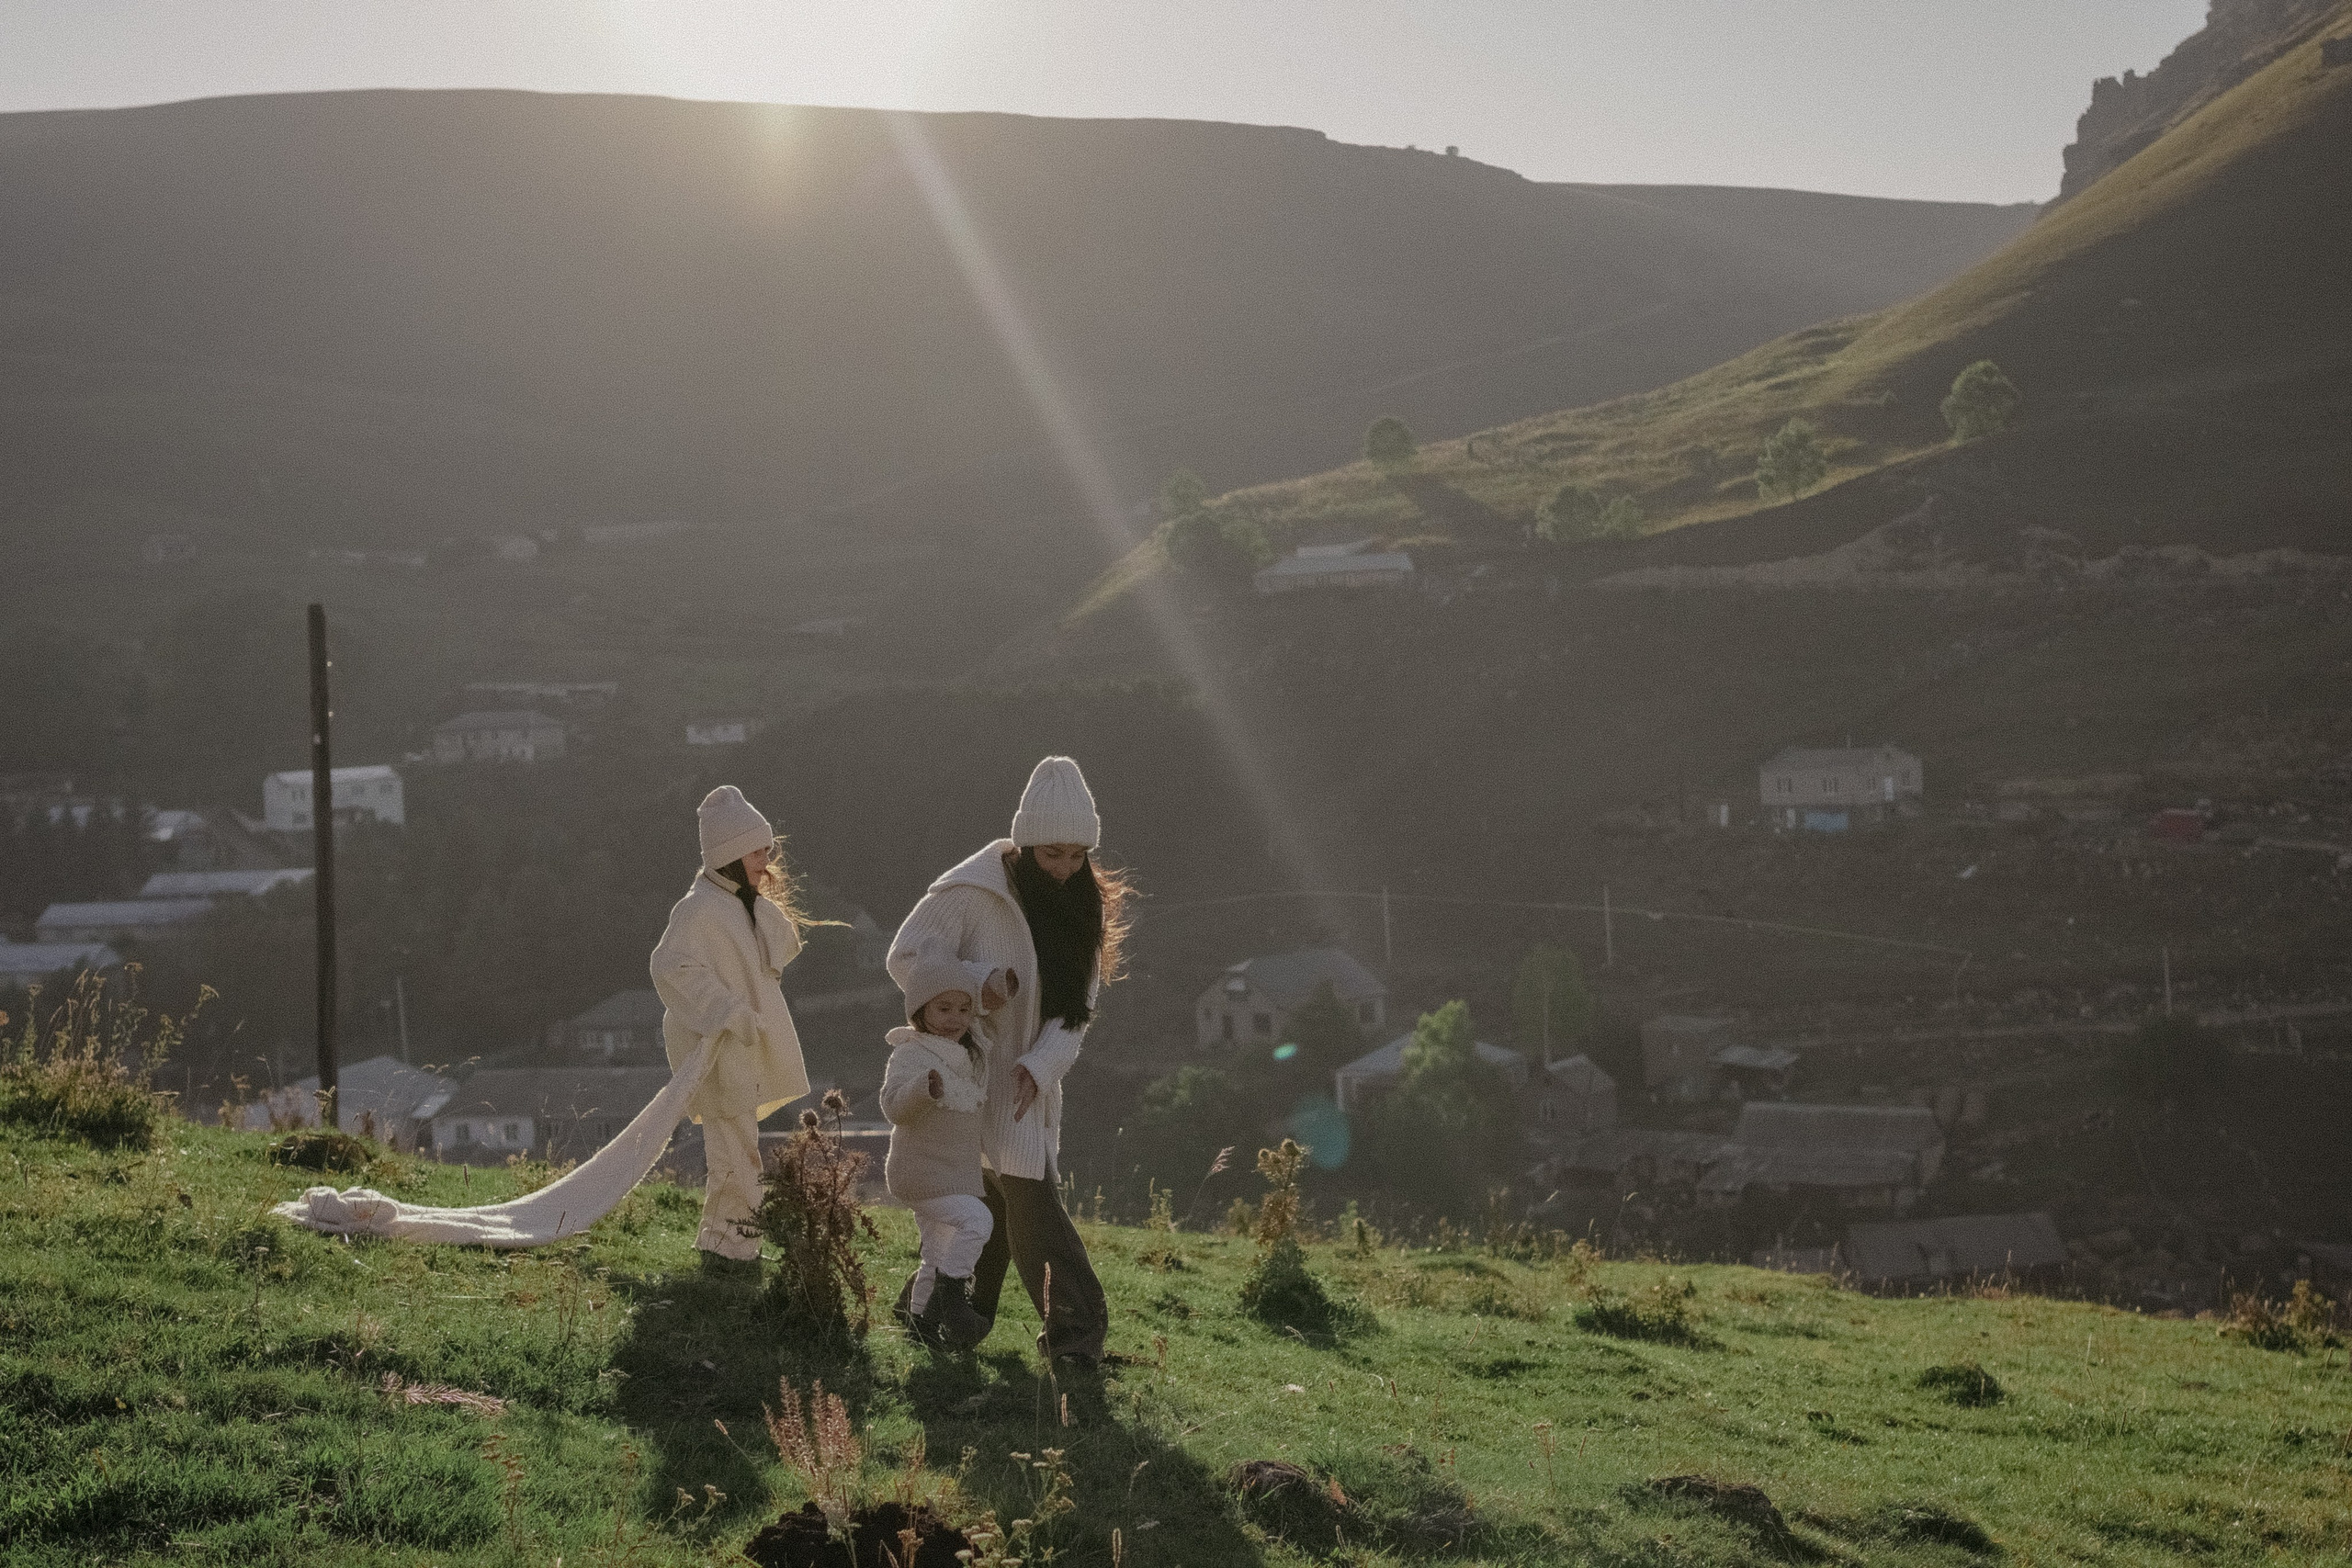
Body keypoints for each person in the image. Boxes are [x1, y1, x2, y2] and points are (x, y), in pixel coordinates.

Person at [886, 755, 1129, 1365]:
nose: (1065, 869)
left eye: (1076, 856)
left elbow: (1078, 1009)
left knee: (1015, 1192)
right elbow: (906, 956)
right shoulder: (971, 892)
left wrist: (1041, 1066)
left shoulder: (1083, 903)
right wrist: (973, 984)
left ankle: (948, 1316)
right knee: (1000, 1196)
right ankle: (1066, 1331)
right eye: (1052, 855)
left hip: (1023, 1081)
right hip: (967, 1069)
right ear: (1024, 843)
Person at [650, 784, 811, 1274]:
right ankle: (730, 1249)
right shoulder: (699, 909)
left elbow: (778, 952)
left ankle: (728, 1244)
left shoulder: (739, 903)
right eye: (758, 850)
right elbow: (670, 968)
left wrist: (760, 904)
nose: (768, 859)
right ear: (731, 854)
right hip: (717, 1047)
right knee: (734, 1148)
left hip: (740, 1047)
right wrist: (729, 1012)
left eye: (767, 849)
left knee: (739, 1145)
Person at [879, 960, 999, 1349]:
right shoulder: (911, 1054)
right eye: (942, 1009)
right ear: (920, 1012)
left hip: (950, 1174)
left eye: (963, 1010)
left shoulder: (970, 1054)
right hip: (920, 1173)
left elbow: (984, 1031)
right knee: (978, 1220)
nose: (954, 1019)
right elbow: (893, 1106)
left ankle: (918, 1328)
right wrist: (922, 1089)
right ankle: (953, 1302)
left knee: (936, 1251)